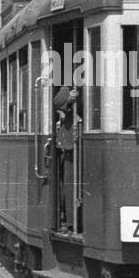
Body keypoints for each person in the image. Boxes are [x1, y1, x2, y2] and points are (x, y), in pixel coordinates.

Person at [53, 86, 78, 230]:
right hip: (70, 143)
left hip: (81, 142)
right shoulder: (69, 85)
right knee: (68, 182)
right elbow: (56, 103)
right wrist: (68, 101)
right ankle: (70, 220)